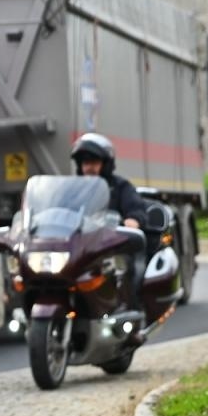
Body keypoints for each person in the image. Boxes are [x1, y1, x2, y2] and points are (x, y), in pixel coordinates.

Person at [70, 132, 148, 313]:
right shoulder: (74, 189)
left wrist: (133, 221)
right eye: (85, 162)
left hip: (110, 247)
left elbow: (137, 209)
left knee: (125, 267)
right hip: (80, 248)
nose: (89, 167)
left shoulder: (120, 187)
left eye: (94, 162)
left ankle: (130, 315)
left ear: (106, 165)